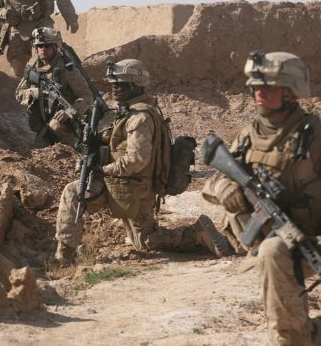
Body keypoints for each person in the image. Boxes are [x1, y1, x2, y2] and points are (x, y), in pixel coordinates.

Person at [202, 51, 321, 345]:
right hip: (272, 246)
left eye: (269, 86)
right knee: (290, 326)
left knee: (290, 338)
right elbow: (218, 177)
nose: (259, 93)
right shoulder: (248, 135)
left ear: (292, 92)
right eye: (255, 86)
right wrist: (223, 188)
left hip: (317, 245)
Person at [54, 59, 233, 265]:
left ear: (134, 86)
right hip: (140, 186)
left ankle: (63, 259)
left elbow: (136, 160)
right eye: (113, 83)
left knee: (72, 192)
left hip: (131, 186)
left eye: (120, 84)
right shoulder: (137, 111)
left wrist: (102, 169)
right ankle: (197, 233)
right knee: (145, 241)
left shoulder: (139, 118)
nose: (114, 88)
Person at [15, 27, 93, 147]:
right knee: (37, 148)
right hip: (44, 120)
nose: (43, 49)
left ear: (55, 47)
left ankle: (77, 150)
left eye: (47, 46)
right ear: (36, 48)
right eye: (40, 46)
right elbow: (19, 93)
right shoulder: (33, 68)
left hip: (68, 120)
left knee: (55, 126)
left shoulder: (67, 70)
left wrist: (69, 112)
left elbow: (87, 96)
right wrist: (35, 92)